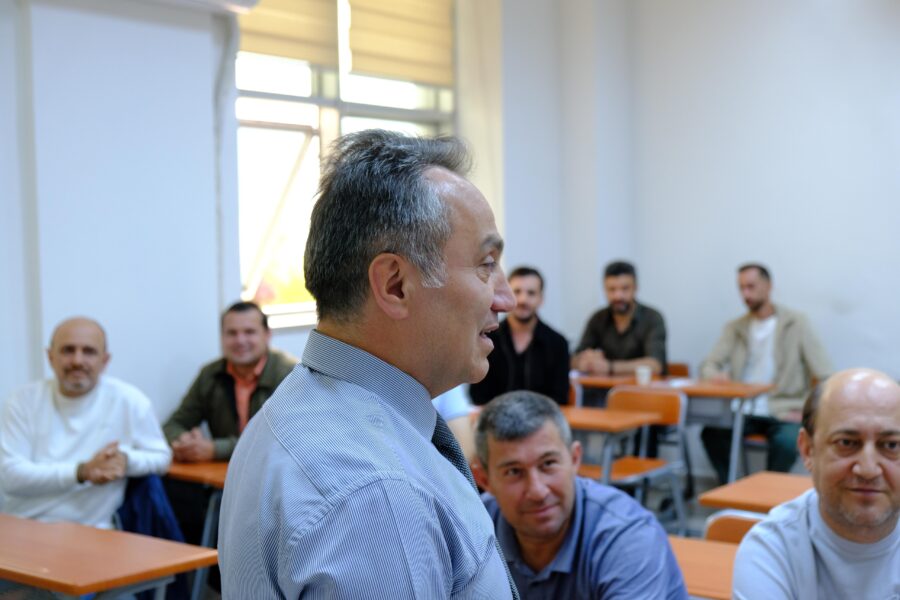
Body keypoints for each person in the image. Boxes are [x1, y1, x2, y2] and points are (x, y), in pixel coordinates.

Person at [218, 130, 520, 598]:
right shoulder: (377, 493)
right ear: (395, 284)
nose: (506, 297)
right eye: (486, 264)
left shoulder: (291, 413)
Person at [472, 391, 687, 599]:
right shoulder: (473, 528)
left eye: (548, 464)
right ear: (484, 480)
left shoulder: (628, 537)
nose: (537, 491)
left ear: (575, 459)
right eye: (513, 472)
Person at [733, 369, 900, 599]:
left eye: (891, 445)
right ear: (807, 450)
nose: (868, 469)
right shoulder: (772, 550)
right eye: (846, 442)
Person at [0, 317, 171, 529]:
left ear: (105, 360)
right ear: (50, 357)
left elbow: (162, 458)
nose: (77, 361)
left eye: (89, 351)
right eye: (68, 350)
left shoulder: (129, 401)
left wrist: (125, 460)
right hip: (24, 525)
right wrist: (81, 472)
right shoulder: (23, 400)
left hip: (95, 530)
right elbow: (10, 477)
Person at [700, 264, 832, 483]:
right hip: (743, 408)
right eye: (741, 288)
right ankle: (730, 488)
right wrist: (715, 375)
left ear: (768, 286)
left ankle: (767, 493)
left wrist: (806, 413)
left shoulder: (796, 323)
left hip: (783, 408)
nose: (745, 294)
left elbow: (825, 375)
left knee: (787, 443)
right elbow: (708, 364)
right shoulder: (735, 327)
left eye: (751, 287)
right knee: (712, 434)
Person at [162, 300, 296, 462]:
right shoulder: (210, 374)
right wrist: (185, 442)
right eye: (232, 333)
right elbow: (173, 425)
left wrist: (216, 449)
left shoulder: (290, 374)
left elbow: (284, 439)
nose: (240, 341)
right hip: (224, 473)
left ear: (267, 335)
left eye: (249, 332)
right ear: (222, 337)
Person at [470, 267, 571, 406]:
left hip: (540, 418)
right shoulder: (487, 337)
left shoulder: (558, 343)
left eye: (531, 293)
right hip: (494, 416)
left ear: (541, 299)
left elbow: (560, 397)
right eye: (517, 292)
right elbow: (477, 394)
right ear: (508, 295)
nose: (523, 299)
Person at [571, 260, 667, 377]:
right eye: (612, 289)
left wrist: (610, 367)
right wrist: (584, 361)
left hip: (642, 387)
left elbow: (655, 365)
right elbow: (574, 358)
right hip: (604, 387)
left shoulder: (652, 318)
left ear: (635, 288)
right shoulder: (598, 318)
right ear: (604, 289)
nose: (618, 296)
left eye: (625, 288)